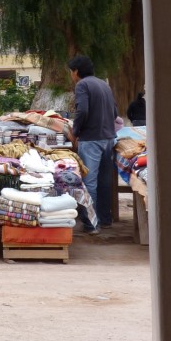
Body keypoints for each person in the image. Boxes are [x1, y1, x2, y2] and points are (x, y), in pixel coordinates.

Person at [68, 55, 117, 234]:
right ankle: (105, 220)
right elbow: (115, 112)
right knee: (105, 182)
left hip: (91, 139)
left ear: (76, 72)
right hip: (108, 138)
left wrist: (75, 131)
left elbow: (83, 110)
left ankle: (91, 223)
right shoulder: (104, 84)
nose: (71, 76)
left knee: (89, 183)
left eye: (71, 72)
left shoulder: (82, 85)